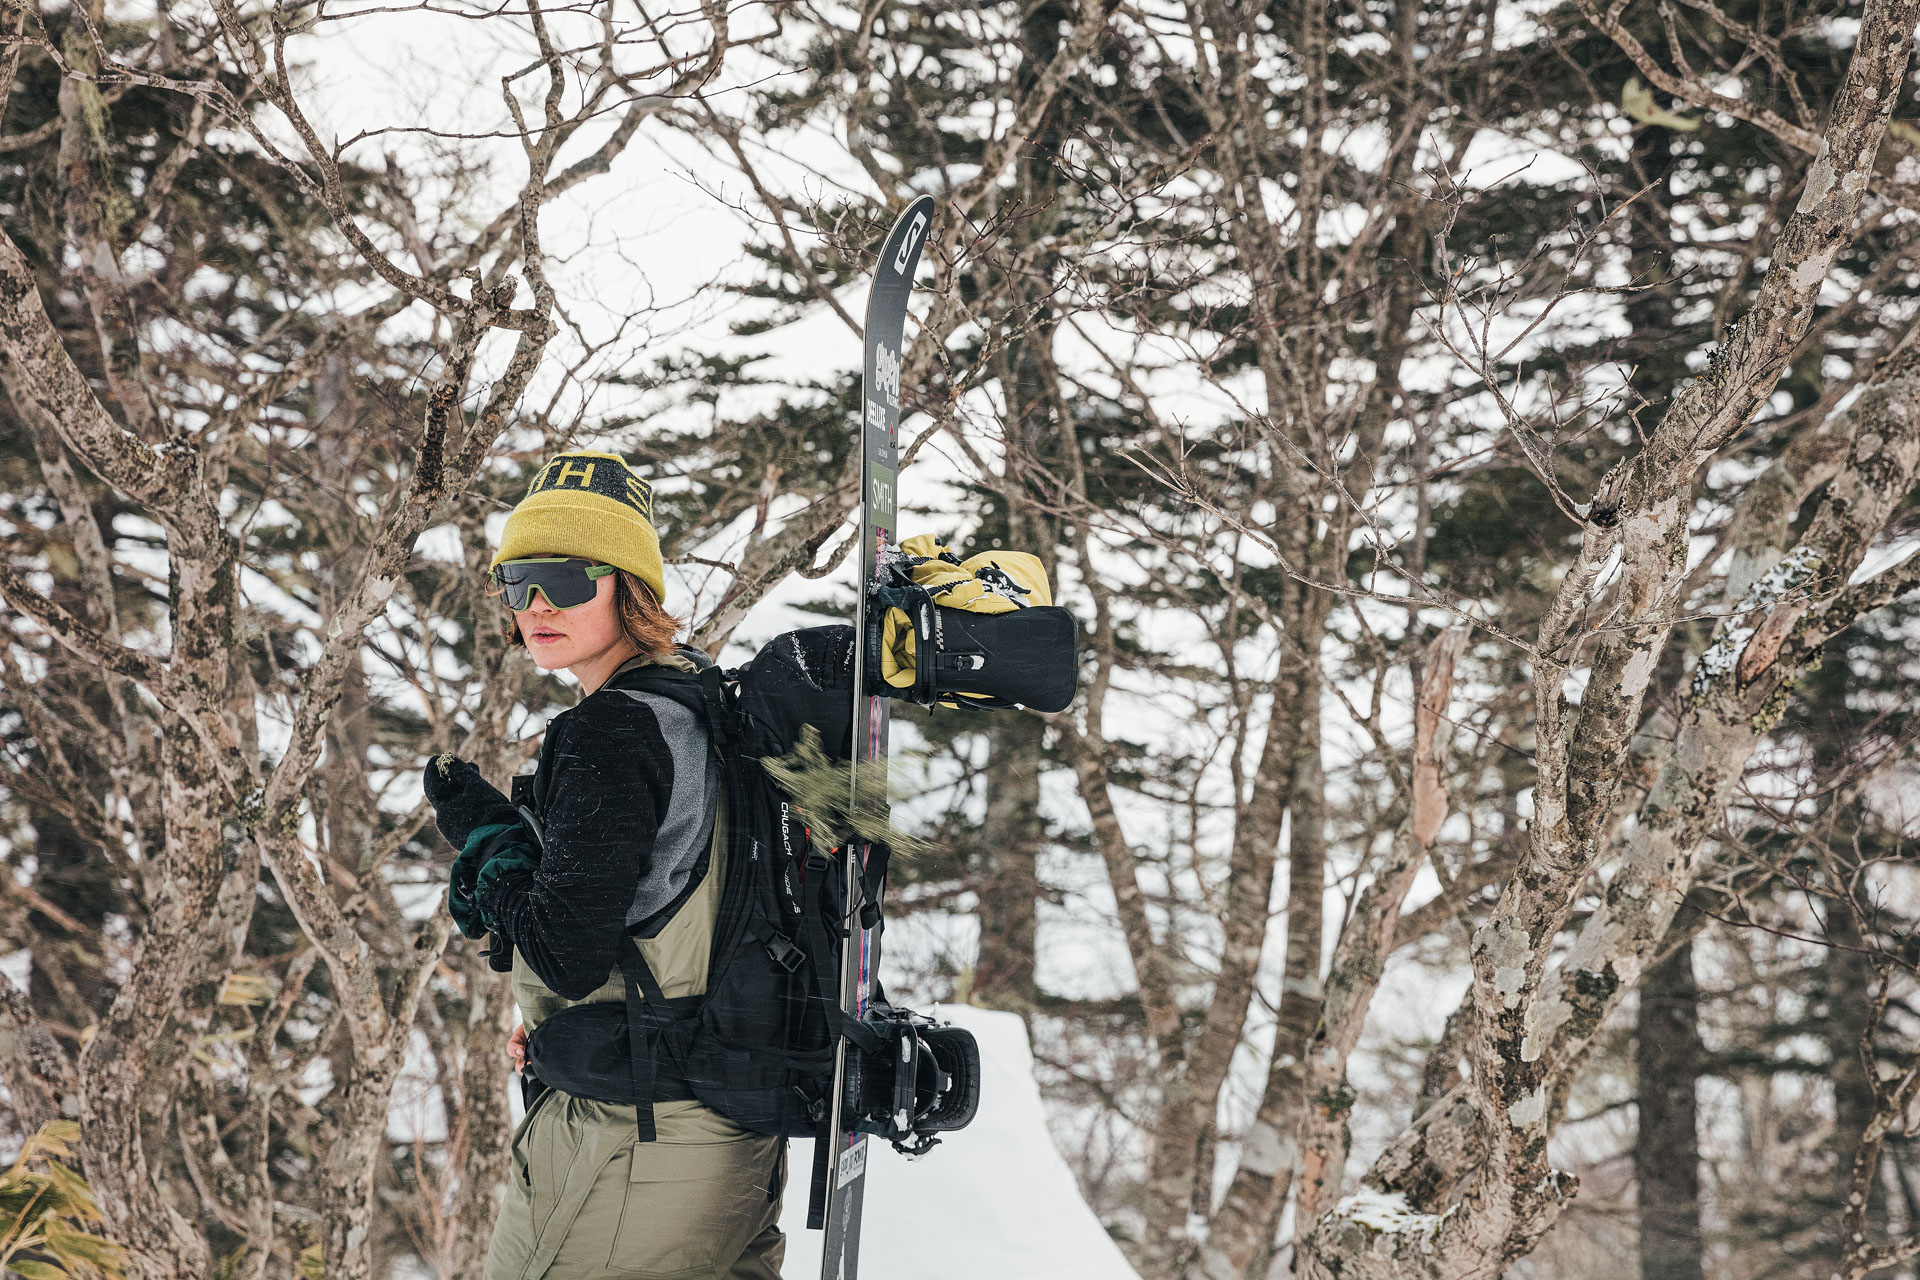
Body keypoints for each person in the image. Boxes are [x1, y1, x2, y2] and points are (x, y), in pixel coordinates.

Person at [423, 449, 784, 1280]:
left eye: (568, 578)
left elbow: (567, 952)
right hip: (730, 1127)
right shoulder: (699, 700)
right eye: (519, 584)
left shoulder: (609, 730)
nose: (538, 605)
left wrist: (493, 849)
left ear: (630, 586)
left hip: (633, 1144)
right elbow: (668, 906)